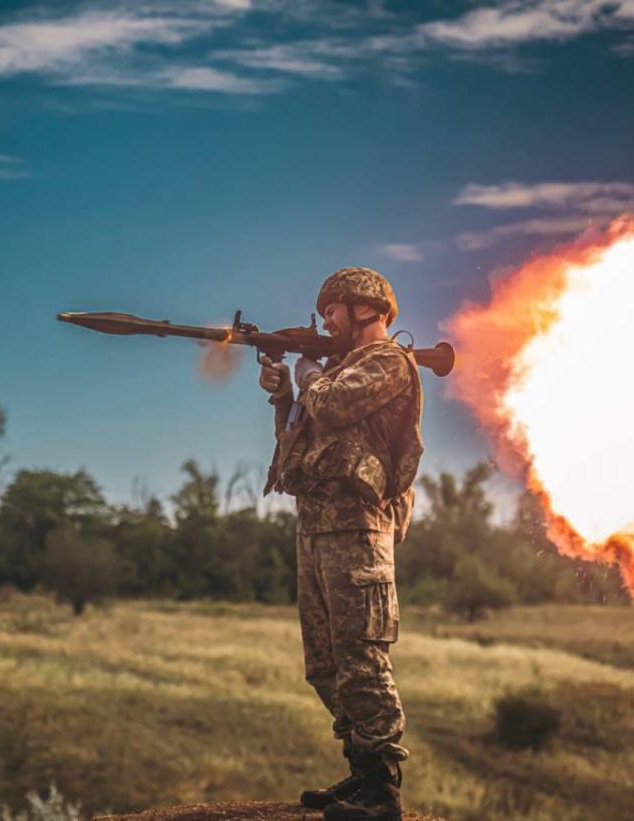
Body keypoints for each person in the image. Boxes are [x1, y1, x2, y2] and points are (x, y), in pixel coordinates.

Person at [258, 267, 424, 821]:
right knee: (325, 663)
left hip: (358, 529)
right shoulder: (331, 374)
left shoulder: (388, 363)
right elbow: (299, 441)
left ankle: (382, 791)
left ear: (366, 308)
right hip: (318, 525)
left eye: (333, 308)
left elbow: (331, 406)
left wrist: (306, 377)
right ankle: (360, 773)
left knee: (360, 655)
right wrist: (285, 395)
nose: (326, 318)